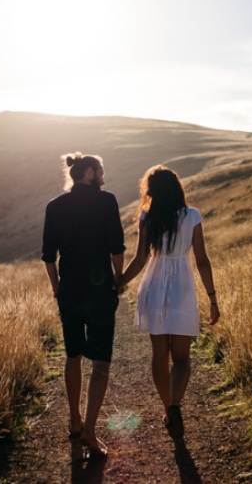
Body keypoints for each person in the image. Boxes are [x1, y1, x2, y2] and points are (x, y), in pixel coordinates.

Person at [118, 165, 220, 439]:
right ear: (177, 188)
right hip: (182, 288)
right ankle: (175, 404)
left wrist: (120, 281)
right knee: (183, 358)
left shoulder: (147, 217)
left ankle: (168, 408)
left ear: (152, 191)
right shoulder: (193, 216)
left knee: (159, 355)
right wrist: (212, 299)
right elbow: (201, 260)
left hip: (154, 285)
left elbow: (140, 259)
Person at [41, 152, 126, 459]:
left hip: (69, 293)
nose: (103, 177)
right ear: (90, 172)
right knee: (100, 364)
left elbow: (48, 256)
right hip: (100, 291)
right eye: (100, 172)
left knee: (73, 356)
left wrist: (57, 290)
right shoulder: (107, 201)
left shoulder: (54, 206)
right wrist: (119, 277)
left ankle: (75, 420)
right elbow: (117, 246)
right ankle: (90, 428)